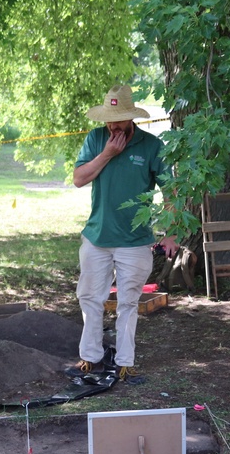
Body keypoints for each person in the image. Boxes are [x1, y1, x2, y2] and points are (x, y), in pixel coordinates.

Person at [71, 85, 178, 382]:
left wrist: (170, 233)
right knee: (90, 298)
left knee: (129, 303)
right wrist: (107, 153)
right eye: (109, 119)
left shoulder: (152, 146)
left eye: (118, 120)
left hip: (135, 241)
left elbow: (171, 193)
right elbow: (79, 179)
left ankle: (125, 362)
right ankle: (90, 358)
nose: (113, 126)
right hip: (97, 237)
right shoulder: (96, 139)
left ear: (131, 118)